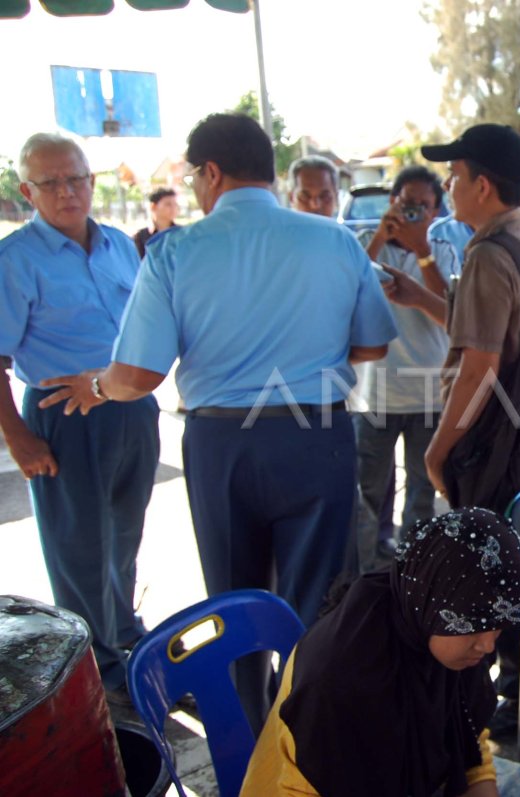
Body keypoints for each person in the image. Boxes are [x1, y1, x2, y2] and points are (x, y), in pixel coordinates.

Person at [38, 113, 399, 727]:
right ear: (269, 171)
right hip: (318, 436)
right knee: (318, 599)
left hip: (222, 442)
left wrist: (94, 385)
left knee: (236, 601)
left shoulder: (176, 249)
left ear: (210, 173)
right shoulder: (334, 240)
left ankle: (255, 747)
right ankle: (313, 743)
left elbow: (138, 374)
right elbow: (373, 346)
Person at [240, 508, 520, 797]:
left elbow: (469, 739)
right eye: (475, 627)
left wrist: (481, 784)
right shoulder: (339, 682)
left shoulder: (441, 625)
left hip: (421, 779)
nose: (488, 645)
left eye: (497, 626)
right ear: (435, 604)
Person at [418, 123, 520, 740]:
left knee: (489, 573)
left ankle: (500, 703)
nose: (449, 188)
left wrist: (437, 451)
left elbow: (478, 368)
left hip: (499, 444)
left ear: (482, 184)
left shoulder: (487, 253)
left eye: (454, 176)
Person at [0, 132, 160, 705]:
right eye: (51, 183)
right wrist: (18, 438)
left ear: (93, 180)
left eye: (76, 178)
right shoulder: (15, 260)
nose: (67, 191)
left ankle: (125, 642)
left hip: (130, 405)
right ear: (28, 191)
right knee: (78, 550)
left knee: (123, 537)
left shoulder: (120, 245)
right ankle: (98, 673)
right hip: (63, 417)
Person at [355, 165, 460, 572]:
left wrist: (421, 250)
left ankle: (413, 566)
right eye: (406, 203)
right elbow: (351, 289)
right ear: (392, 202)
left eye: (423, 205)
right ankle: (368, 568)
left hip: (429, 393)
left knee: (422, 488)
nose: (414, 211)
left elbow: (452, 312)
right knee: (368, 490)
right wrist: (383, 236)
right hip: (376, 391)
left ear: (436, 213)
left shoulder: (445, 251)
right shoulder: (366, 244)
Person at [287, 155, 340, 219]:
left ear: (336, 198)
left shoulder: (343, 229)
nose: (315, 205)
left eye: (324, 197)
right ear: (291, 198)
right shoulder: (276, 228)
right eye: (305, 197)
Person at [133, 186, 178, 257]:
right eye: (168, 204)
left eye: (175, 204)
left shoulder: (182, 233)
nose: (173, 208)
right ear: (153, 206)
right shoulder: (140, 237)